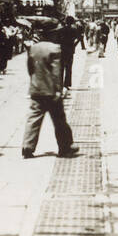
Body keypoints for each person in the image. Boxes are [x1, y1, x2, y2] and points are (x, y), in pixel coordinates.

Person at [22, 23, 78, 158]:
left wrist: (34, 81)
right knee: (59, 120)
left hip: (36, 89)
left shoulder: (33, 48)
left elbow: (30, 67)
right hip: (51, 91)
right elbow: (56, 71)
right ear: (52, 33)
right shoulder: (55, 48)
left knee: (34, 118)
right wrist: (58, 90)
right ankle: (65, 147)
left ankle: (27, 147)